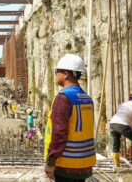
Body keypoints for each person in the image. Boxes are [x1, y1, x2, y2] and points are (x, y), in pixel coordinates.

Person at [44, 54, 96, 182]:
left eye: (57, 71)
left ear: (66, 74)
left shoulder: (63, 98)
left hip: (66, 163)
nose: (55, 74)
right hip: (84, 163)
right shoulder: (86, 97)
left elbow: (59, 132)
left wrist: (51, 161)